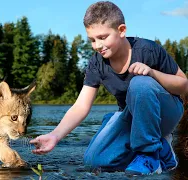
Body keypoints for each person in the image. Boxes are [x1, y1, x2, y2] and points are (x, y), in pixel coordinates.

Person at [29, 1, 187, 176]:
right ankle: (163, 151)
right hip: (133, 117)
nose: (97, 45)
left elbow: (183, 85)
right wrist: (55, 136)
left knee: (140, 83)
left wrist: (152, 73)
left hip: (166, 113)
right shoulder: (97, 63)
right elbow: (81, 106)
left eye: (103, 37)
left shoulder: (148, 50)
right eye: (92, 40)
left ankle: (148, 153)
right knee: (94, 161)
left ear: (121, 31)